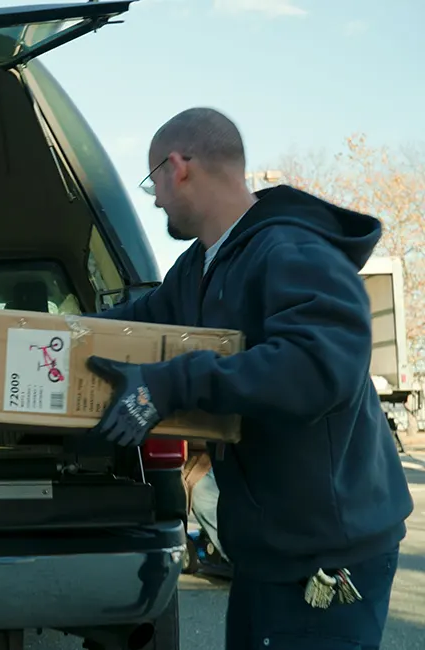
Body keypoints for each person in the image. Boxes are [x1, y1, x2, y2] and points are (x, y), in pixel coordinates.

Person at [84, 107, 414, 648]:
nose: (157, 198)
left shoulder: (292, 249)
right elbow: (135, 322)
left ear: (178, 166)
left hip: (328, 555)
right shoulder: (200, 268)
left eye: (153, 182)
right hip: (265, 549)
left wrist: (172, 383)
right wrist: (42, 338)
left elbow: (315, 368)